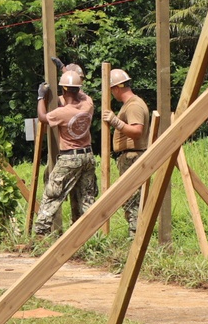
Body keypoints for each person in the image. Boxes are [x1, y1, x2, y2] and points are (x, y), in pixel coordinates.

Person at [33, 70, 99, 236]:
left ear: (63, 90)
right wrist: (65, 70)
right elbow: (80, 93)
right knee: (86, 197)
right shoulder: (88, 105)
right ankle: (87, 235)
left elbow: (42, 117)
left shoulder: (63, 112)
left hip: (70, 157)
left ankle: (41, 233)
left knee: (53, 193)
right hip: (88, 156)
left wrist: (41, 97)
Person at [102, 68, 150, 238]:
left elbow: (137, 131)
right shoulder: (131, 104)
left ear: (116, 88)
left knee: (131, 197)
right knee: (131, 197)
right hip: (130, 156)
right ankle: (135, 233)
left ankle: (135, 235)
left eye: (111, 90)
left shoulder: (134, 106)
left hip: (132, 157)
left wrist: (115, 122)